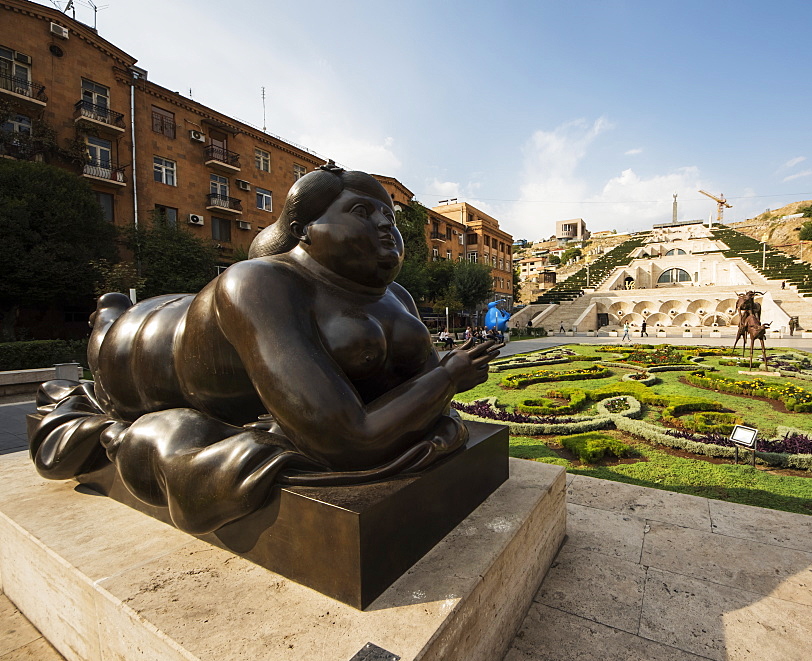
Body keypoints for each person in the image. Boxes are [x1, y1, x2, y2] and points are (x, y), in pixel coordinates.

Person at [30, 164, 502, 534]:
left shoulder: (397, 297)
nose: (386, 227)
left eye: (389, 217)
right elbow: (346, 439)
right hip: (140, 352)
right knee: (111, 337)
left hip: (175, 325)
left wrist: (441, 377)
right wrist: (446, 378)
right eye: (362, 212)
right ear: (305, 229)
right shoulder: (259, 282)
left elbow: (412, 393)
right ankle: (107, 315)